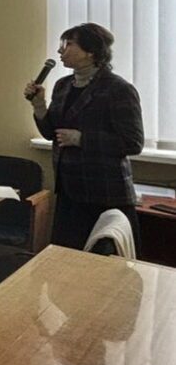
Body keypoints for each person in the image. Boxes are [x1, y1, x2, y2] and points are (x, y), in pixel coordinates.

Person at [25, 22, 144, 250]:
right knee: (65, 257)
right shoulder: (62, 85)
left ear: (91, 52)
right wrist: (39, 106)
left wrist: (81, 139)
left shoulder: (118, 89)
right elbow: (51, 133)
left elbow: (133, 142)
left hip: (104, 193)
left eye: (69, 44)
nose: (60, 50)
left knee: (102, 262)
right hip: (69, 191)